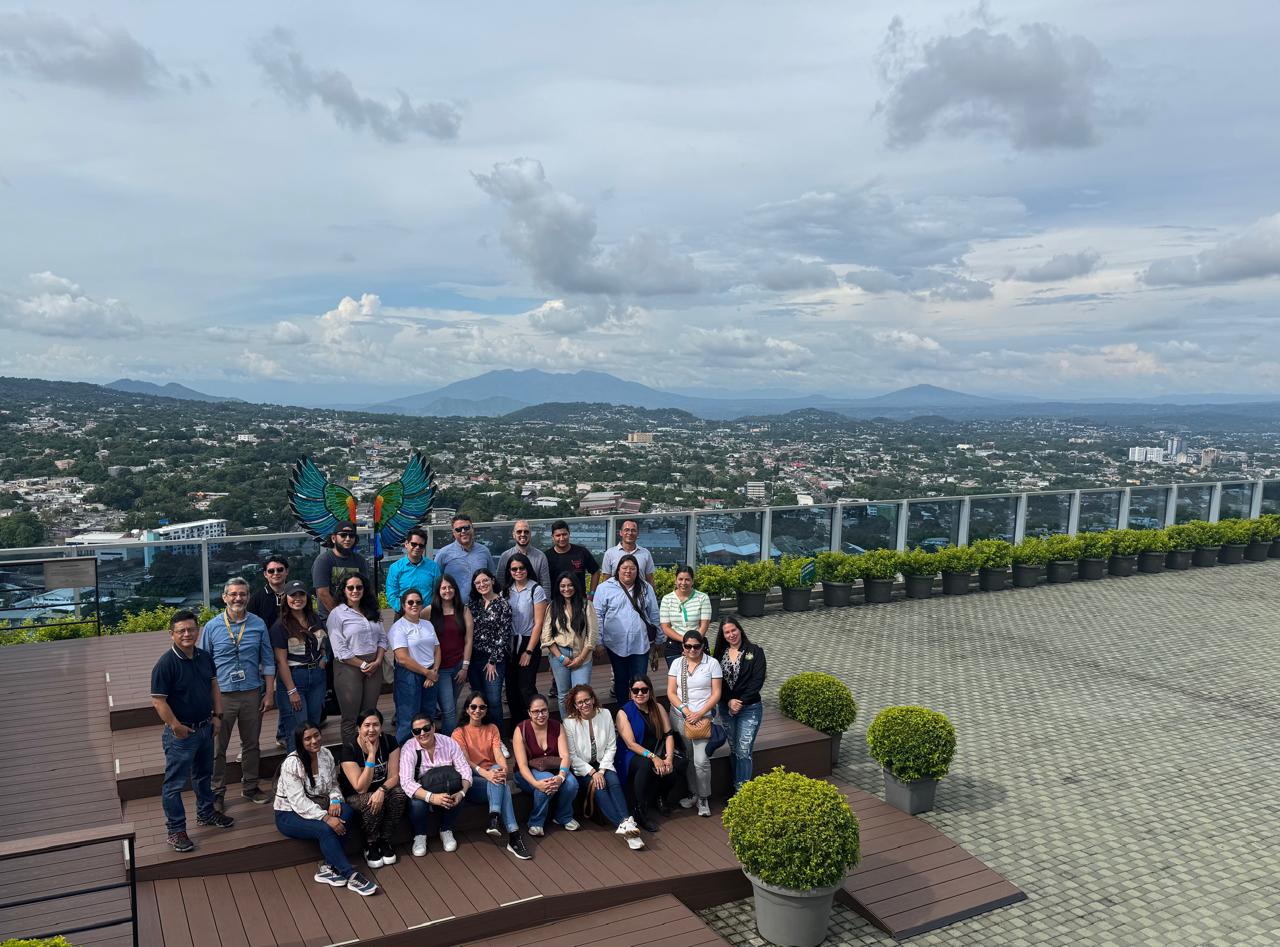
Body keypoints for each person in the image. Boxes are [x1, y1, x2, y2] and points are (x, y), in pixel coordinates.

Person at [151, 610, 233, 852]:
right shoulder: (165, 664)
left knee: (203, 775)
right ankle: (175, 831)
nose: (187, 634)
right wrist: (175, 726)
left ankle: (206, 813)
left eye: (191, 629)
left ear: (198, 631)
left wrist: (218, 716)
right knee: (174, 785)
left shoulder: (204, 657)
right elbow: (158, 701)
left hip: (205, 728)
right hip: (181, 735)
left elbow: (214, 686)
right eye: (181, 631)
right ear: (172, 634)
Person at [274, 721, 377, 896]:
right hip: (289, 814)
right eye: (307, 738)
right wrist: (327, 818)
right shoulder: (292, 763)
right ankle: (350, 874)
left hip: (319, 804)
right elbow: (298, 802)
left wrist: (335, 800)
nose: (314, 741)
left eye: (316, 735)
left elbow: (333, 784)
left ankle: (329, 867)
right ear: (300, 741)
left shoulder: (326, 754)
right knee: (326, 829)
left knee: (347, 811)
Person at [203, 577, 275, 809]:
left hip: (252, 692)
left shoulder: (258, 624)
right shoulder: (212, 627)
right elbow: (203, 665)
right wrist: (208, 700)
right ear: (224, 597)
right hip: (222, 696)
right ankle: (217, 792)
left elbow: (268, 660)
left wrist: (269, 692)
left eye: (242, 594)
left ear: (248, 597)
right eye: (233, 594)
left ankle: (250, 786)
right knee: (218, 748)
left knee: (251, 744)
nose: (238, 598)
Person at [561, 685, 644, 850]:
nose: (584, 704)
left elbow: (611, 746)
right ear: (575, 705)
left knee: (613, 782)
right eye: (580, 702)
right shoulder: (569, 723)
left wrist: (602, 770)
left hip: (603, 763)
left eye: (587, 700)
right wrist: (593, 773)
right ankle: (626, 827)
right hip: (583, 768)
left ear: (593, 699)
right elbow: (572, 756)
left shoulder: (605, 714)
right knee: (599, 787)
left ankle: (626, 824)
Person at [451, 694, 532, 860]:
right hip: (471, 781)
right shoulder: (459, 733)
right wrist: (486, 774)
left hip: (492, 778)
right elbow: (465, 762)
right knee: (501, 784)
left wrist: (503, 769)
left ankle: (497, 819)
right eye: (473, 707)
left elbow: (498, 753)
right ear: (467, 710)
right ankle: (513, 835)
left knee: (498, 775)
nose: (477, 710)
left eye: (482, 707)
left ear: (486, 710)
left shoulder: (492, 728)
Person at [338, 708, 407, 870]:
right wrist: (371, 755)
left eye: (376, 725)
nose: (371, 729)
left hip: (382, 790)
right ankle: (370, 843)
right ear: (358, 728)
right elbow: (360, 788)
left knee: (399, 794)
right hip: (355, 797)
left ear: (381, 727)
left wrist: (381, 790)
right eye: (366, 725)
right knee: (370, 800)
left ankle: (385, 840)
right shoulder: (349, 749)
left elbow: (394, 776)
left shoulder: (389, 741)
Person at [615, 674, 683, 832]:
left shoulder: (658, 708)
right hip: (630, 755)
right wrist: (653, 758)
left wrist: (669, 759)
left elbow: (668, 735)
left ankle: (660, 797)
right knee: (645, 765)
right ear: (630, 692)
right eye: (636, 690)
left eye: (644, 690)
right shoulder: (623, 713)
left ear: (650, 691)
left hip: (655, 752)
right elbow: (631, 744)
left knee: (673, 769)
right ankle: (640, 810)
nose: (640, 693)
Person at [326, 573, 387, 747]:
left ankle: (368, 752)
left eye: (359, 587)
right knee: (350, 717)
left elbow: (382, 638)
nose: (355, 591)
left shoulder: (372, 610)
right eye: (350, 587)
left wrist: (378, 661)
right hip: (349, 667)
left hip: (374, 666)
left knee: (369, 715)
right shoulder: (337, 614)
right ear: (344, 590)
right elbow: (340, 649)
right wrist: (364, 664)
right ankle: (350, 754)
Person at [666, 630, 722, 818]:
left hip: (702, 719)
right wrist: (686, 710)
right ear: (683, 647)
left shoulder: (712, 664)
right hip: (680, 717)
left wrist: (699, 713)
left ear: (703, 646)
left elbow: (716, 693)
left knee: (701, 761)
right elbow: (671, 692)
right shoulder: (677, 663)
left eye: (696, 646)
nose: (692, 650)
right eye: (688, 646)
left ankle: (704, 797)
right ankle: (693, 793)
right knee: (688, 757)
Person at [400, 712, 471, 856]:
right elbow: (406, 782)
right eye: (417, 731)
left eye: (426, 728)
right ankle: (420, 834)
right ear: (412, 733)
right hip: (423, 791)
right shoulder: (408, 748)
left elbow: (464, 769)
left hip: (446, 786)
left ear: (433, 727)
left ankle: (446, 829)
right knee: (417, 805)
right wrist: (432, 797)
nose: (422, 733)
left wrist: (462, 792)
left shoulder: (448, 742)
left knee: (459, 793)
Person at [593, 554, 660, 708]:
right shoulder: (604, 588)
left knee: (640, 681)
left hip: (640, 643)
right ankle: (624, 713)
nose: (628, 571)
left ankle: (640, 712)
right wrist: (599, 642)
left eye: (632, 568)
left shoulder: (645, 588)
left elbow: (654, 614)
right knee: (621, 680)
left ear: (637, 570)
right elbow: (598, 616)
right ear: (618, 570)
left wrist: (659, 639)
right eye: (624, 568)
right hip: (615, 644)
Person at [711, 615, 767, 795]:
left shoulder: (755, 651)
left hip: (749, 708)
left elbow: (757, 681)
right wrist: (728, 701)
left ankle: (741, 793)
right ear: (723, 635)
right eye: (727, 632)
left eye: (733, 630)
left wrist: (740, 701)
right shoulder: (719, 654)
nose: (731, 634)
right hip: (726, 709)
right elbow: (716, 682)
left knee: (744, 750)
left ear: (740, 629)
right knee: (734, 749)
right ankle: (736, 785)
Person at [270, 580, 329, 749]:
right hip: (294, 678)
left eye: (301, 594)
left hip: (317, 677)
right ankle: (297, 764)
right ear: (286, 598)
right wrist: (291, 690)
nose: (297, 598)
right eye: (293, 595)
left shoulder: (314, 618)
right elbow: (281, 661)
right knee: (297, 730)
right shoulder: (280, 626)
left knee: (314, 726)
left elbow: (322, 642)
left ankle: (313, 763)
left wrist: (324, 658)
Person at [511, 693, 580, 836]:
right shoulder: (521, 729)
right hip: (526, 774)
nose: (541, 715)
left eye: (544, 710)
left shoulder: (557, 726)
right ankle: (536, 822)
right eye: (536, 711)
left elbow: (565, 756)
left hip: (553, 769)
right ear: (529, 713)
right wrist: (536, 784)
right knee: (546, 781)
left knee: (571, 783)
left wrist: (561, 776)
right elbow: (522, 765)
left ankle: (563, 816)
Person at [541, 572, 599, 720]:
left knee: (582, 695)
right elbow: (546, 637)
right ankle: (568, 727)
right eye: (563, 586)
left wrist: (581, 658)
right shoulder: (553, 606)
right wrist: (560, 657)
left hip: (582, 654)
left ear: (575, 586)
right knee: (563, 695)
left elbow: (592, 635)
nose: (566, 589)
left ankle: (582, 726)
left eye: (570, 585)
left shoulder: (586, 605)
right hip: (559, 654)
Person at [389, 589, 440, 744]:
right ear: (403, 605)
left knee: (428, 716)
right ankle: (403, 754)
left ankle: (427, 752)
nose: (414, 605)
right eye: (410, 602)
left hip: (430, 673)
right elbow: (402, 658)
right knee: (408, 719)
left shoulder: (428, 624)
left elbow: (437, 649)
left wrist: (434, 671)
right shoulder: (398, 628)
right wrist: (427, 673)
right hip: (409, 676)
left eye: (418, 602)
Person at [503, 553, 546, 725]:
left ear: (527, 569)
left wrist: (528, 651)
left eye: (522, 568)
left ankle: (534, 724)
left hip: (528, 641)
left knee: (526, 687)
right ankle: (518, 727)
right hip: (509, 643)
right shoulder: (506, 590)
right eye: (514, 569)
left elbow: (539, 623)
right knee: (511, 688)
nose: (518, 571)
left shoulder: (536, 589)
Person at [466, 568, 510, 733]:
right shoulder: (472, 604)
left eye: (485, 580)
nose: (482, 584)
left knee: (493, 700)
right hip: (474, 658)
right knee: (478, 700)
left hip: (493, 660)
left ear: (492, 580)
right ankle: (481, 736)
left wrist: (493, 661)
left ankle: (498, 737)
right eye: (477, 582)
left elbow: (504, 635)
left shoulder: (503, 604)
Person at [429, 573, 473, 735]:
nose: (447, 590)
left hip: (459, 666)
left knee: (451, 706)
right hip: (441, 668)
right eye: (443, 588)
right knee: (449, 711)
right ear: (438, 591)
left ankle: (449, 741)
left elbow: (469, 640)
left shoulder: (464, 610)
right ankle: (449, 743)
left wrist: (465, 667)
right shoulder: (430, 611)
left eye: (450, 587)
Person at [312, 521, 370, 619]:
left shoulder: (360, 560)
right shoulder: (323, 560)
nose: (348, 539)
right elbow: (322, 593)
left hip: (357, 615)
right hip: (330, 617)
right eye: (343, 535)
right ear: (333, 538)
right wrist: (341, 616)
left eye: (351, 536)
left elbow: (366, 589)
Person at [659, 564, 712, 669]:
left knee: (699, 675)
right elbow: (665, 627)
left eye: (687, 579)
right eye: (680, 579)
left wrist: (692, 644)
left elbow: (704, 625)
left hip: (697, 644)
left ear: (692, 581)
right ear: (675, 580)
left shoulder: (702, 598)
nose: (683, 583)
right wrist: (685, 641)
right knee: (677, 676)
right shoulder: (667, 599)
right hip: (674, 645)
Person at [434, 514, 494, 605]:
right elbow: (436, 583)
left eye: (466, 528)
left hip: (482, 607)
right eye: (458, 529)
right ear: (453, 533)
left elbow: (493, 577)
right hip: (455, 608)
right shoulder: (443, 554)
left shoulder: (484, 551)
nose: (463, 531)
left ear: (472, 529)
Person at [385, 527, 441, 614]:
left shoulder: (433, 567)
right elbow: (392, 595)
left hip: (428, 614)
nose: (417, 547)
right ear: (406, 544)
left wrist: (430, 610)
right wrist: (406, 611)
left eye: (421, 545)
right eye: (414, 544)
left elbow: (437, 592)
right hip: (403, 614)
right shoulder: (395, 568)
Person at [545, 520, 601, 597]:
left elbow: (595, 571)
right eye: (558, 535)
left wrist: (592, 594)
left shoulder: (581, 552)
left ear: (569, 534)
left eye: (564, 534)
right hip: (556, 601)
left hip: (579, 600)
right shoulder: (546, 556)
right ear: (552, 537)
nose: (562, 538)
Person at [496, 520, 551, 591]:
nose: (522, 534)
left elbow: (545, 585)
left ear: (530, 534)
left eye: (526, 532)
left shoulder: (541, 557)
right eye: (519, 532)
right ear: (514, 534)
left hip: (535, 597)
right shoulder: (505, 556)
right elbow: (500, 582)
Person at [600, 519, 655, 586]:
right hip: (616, 592)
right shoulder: (610, 553)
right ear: (621, 533)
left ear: (638, 533)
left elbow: (650, 579)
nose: (630, 533)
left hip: (639, 592)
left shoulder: (645, 554)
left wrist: (652, 592)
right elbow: (606, 580)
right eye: (627, 530)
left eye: (633, 530)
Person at [248, 555, 291, 630]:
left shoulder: (296, 594)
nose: (276, 573)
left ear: (287, 571)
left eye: (280, 570)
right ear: (265, 574)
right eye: (271, 571)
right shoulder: (256, 599)